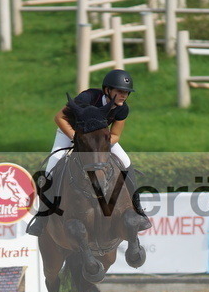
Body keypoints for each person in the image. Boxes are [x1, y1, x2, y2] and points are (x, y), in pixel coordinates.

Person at [27, 68, 151, 236]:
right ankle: (42, 217)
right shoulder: (88, 98)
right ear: (107, 90)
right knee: (52, 166)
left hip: (98, 140)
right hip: (69, 133)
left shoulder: (122, 109)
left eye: (126, 92)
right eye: (120, 91)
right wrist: (76, 139)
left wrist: (99, 145)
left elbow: (115, 135)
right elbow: (59, 118)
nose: (124, 95)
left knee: (126, 162)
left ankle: (138, 209)